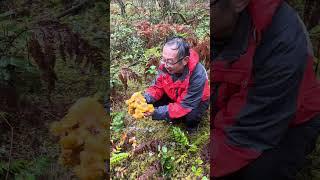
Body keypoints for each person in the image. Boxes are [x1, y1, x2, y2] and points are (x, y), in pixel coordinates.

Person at [211, 0, 320, 179]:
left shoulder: (281, 39)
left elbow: (243, 136)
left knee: (257, 171)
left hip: (286, 119)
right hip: (228, 103)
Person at [143, 36, 210, 130]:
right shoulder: (165, 66)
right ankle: (173, 118)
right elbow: (157, 87)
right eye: (163, 59)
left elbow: (185, 105)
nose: (165, 65)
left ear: (185, 60)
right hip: (175, 95)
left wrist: (156, 112)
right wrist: (145, 98)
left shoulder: (197, 75)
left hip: (195, 101)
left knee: (191, 116)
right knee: (152, 102)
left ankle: (191, 128)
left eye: (170, 61)